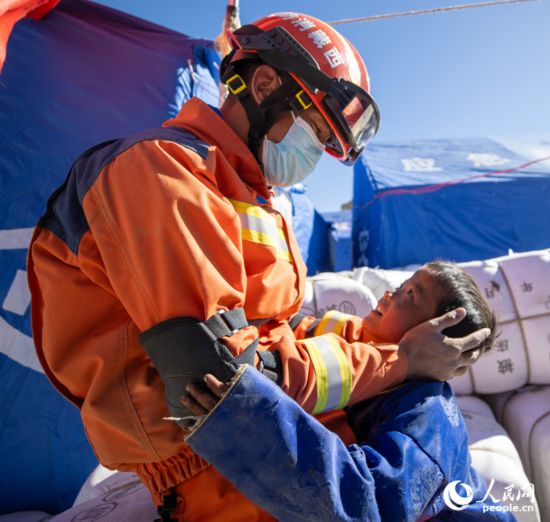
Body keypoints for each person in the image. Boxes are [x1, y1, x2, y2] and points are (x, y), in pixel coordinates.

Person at [27, 12, 490, 522]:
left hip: (272, 429)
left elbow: (279, 326)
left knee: (436, 435)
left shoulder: (251, 193)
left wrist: (385, 342)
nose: (313, 154)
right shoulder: (162, 173)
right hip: (217, 461)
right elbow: (225, 382)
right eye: (315, 130)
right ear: (265, 84)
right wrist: (396, 362)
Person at [183, 262, 515, 520]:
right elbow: (294, 332)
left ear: (438, 339)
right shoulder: (364, 349)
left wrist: (249, 425)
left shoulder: (426, 418)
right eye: (401, 286)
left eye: (410, 296)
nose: (389, 294)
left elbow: (365, 507)